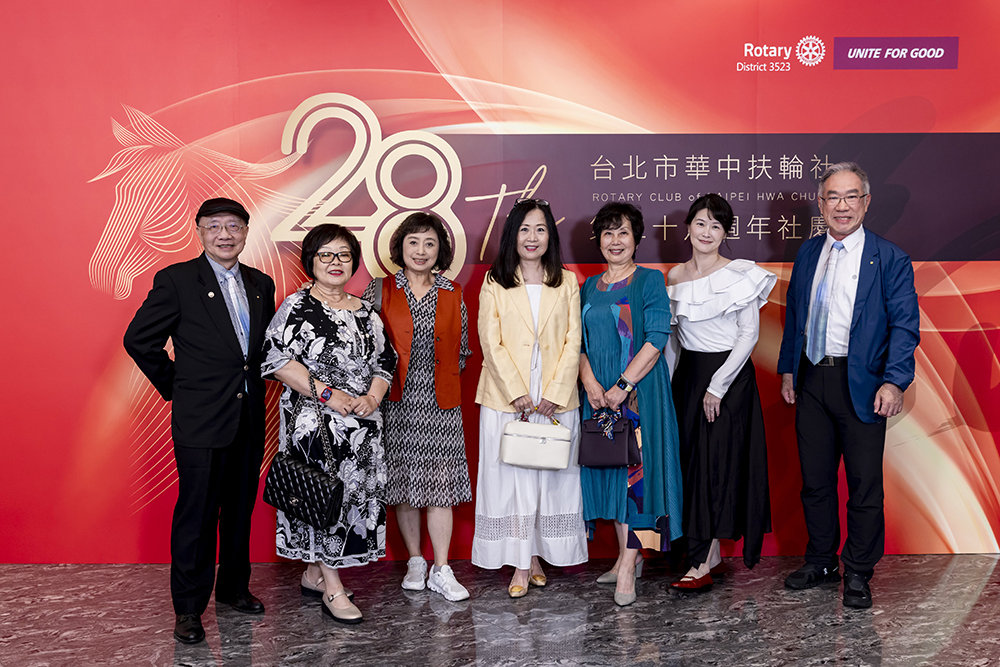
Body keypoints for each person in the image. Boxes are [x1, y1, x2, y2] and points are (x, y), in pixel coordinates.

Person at [123, 198, 275, 645]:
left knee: (240, 510)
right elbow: (139, 340)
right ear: (200, 232)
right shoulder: (177, 280)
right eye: (214, 226)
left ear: (245, 231)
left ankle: (233, 588)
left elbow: (262, 351)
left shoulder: (261, 283)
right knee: (198, 513)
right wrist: (178, 386)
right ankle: (188, 608)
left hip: (249, 416)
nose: (224, 235)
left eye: (233, 226)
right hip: (201, 419)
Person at [778, 162, 920, 608]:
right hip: (812, 378)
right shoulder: (808, 252)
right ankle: (821, 560)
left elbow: (905, 326)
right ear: (821, 204)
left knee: (864, 485)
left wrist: (894, 382)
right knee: (815, 481)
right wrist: (788, 369)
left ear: (866, 202)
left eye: (851, 196)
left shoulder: (889, 257)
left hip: (863, 383)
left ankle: (858, 570)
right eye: (833, 197)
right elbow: (796, 316)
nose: (842, 206)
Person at [261, 223, 397, 624]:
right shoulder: (297, 306)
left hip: (363, 425)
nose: (335, 262)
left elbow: (385, 362)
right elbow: (276, 359)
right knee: (323, 497)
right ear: (311, 261)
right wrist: (328, 395)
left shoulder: (366, 311)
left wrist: (373, 397)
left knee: (350, 497)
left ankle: (313, 574)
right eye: (326, 254)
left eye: (344, 255)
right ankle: (333, 588)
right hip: (314, 424)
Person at [471, 198, 588, 598]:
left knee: (550, 478)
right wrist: (517, 391)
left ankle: (537, 556)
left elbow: (574, 340)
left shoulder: (566, 281)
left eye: (540, 229)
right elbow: (490, 340)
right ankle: (521, 563)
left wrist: (555, 391)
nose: (532, 237)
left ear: (550, 235)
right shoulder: (495, 281)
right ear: (512, 236)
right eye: (524, 229)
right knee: (513, 479)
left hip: (555, 397)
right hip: (507, 397)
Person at [666, 194, 776, 591]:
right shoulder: (675, 276)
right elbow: (675, 339)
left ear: (725, 233)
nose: (707, 232)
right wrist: (666, 385)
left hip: (728, 380)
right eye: (701, 223)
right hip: (688, 378)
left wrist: (718, 386)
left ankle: (701, 561)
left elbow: (749, 334)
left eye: (716, 226)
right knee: (689, 465)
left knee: (716, 467)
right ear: (688, 228)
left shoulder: (740, 274)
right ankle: (707, 554)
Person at [361, 212, 473, 602]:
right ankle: (415, 561)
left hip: (441, 402)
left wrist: (438, 378)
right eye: (413, 242)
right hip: (394, 402)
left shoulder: (452, 291)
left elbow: (462, 350)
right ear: (400, 247)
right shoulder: (379, 289)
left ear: (440, 250)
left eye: (429, 243)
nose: (421, 250)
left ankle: (442, 568)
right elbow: (367, 348)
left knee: (440, 485)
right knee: (404, 482)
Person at [579, 202, 684, 606]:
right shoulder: (589, 286)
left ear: (637, 238)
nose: (615, 241)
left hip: (638, 394)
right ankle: (627, 557)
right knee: (611, 474)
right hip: (597, 396)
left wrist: (624, 384)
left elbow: (656, 338)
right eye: (608, 233)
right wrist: (590, 383)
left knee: (636, 479)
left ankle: (628, 565)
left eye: (623, 232)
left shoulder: (649, 280)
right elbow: (579, 343)